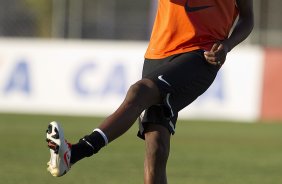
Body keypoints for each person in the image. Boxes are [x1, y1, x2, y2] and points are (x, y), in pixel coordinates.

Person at [46, 0, 254, 183]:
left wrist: (226, 46)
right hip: (158, 54)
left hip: (203, 54)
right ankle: (71, 155)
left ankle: (75, 153)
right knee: (156, 148)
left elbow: (247, 18)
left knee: (139, 92)